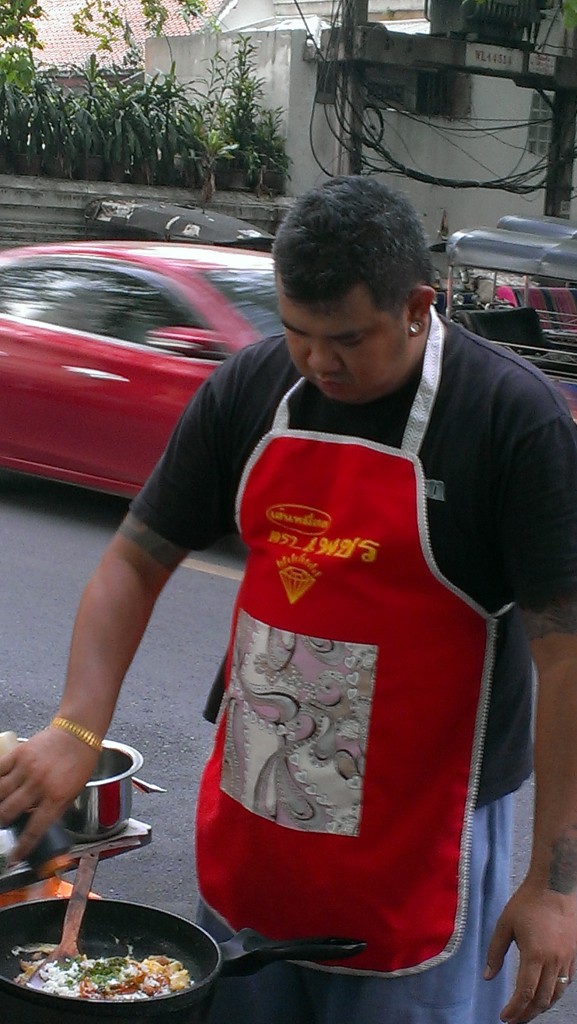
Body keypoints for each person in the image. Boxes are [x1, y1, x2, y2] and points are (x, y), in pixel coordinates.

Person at [1, 176, 577, 1024]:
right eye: (296, 331)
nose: (315, 361)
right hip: (254, 838)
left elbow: (563, 657)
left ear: (417, 306)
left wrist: (553, 886)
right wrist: (77, 726)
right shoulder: (251, 388)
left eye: (345, 338)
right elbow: (133, 560)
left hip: (418, 858)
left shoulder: (508, 421)